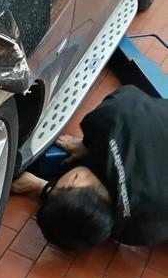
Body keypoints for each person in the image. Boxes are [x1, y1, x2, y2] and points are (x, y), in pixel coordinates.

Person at [12, 85, 168, 250]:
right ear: (75, 179)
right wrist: (90, 143)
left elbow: (98, 225)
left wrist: (42, 187)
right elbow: (128, 92)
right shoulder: (109, 118)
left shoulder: (140, 230)